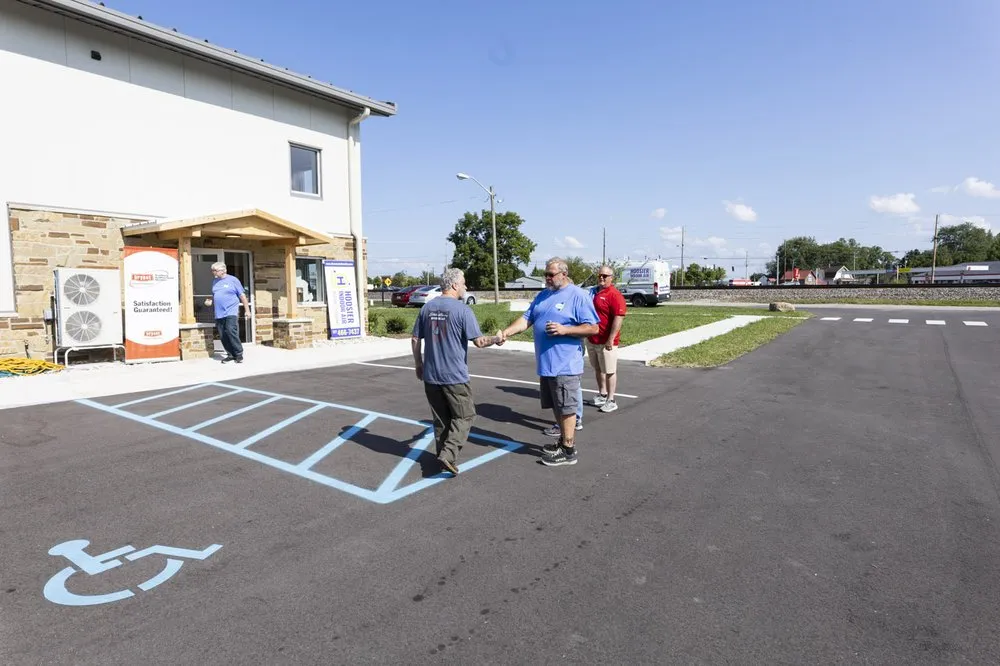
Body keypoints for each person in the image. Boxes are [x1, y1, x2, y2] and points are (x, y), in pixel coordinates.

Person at [497, 258, 598, 467]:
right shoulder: (543, 296)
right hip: (547, 364)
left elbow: (593, 328)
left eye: (551, 274)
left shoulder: (578, 296)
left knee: (567, 407)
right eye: (546, 274)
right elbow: (526, 319)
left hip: (566, 364)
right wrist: (506, 332)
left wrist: (565, 330)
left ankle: (569, 451)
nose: (547, 278)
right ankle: (562, 441)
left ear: (564, 273)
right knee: (557, 406)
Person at [412, 268, 502, 476]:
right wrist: (496, 339)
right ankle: (448, 455)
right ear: (454, 285)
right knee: (465, 415)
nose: (466, 287)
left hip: (431, 375)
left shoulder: (427, 308)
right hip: (454, 376)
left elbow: (416, 339)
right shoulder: (462, 311)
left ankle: (441, 456)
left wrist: (419, 364)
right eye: (463, 283)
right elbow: (479, 342)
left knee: (442, 419)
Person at [587, 264, 627, 412]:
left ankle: (611, 400)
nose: (602, 278)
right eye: (600, 276)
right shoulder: (593, 293)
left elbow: (618, 318)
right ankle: (602, 394)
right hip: (592, 339)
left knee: (610, 370)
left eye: (605, 276)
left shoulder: (614, 295)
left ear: (611, 278)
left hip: (607, 341)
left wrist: (611, 338)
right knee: (598, 368)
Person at [205, 262, 250, 363]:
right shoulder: (215, 281)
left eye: (215, 270)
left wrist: (247, 310)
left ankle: (238, 354)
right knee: (223, 335)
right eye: (213, 270)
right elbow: (215, 294)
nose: (213, 272)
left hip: (231, 311)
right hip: (219, 313)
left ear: (223, 270)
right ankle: (230, 354)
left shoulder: (233, 280)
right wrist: (210, 300)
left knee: (230, 331)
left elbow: (242, 296)